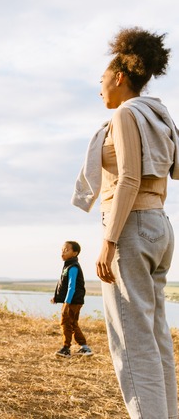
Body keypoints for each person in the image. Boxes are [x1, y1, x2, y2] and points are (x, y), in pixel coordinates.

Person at [72, 27, 178, 418]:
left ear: (119, 77)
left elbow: (129, 178)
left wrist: (109, 240)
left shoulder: (125, 113)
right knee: (155, 337)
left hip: (131, 227)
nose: (99, 87)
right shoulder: (159, 114)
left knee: (131, 342)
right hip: (160, 227)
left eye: (101, 80)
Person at [50, 241, 93, 358]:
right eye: (62, 250)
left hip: (73, 301)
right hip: (73, 300)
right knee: (72, 323)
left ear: (75, 253)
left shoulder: (73, 267)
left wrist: (67, 303)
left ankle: (66, 348)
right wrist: (57, 298)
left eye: (66, 250)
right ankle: (84, 348)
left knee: (66, 323)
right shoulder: (68, 266)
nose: (63, 252)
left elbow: (71, 287)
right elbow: (63, 285)